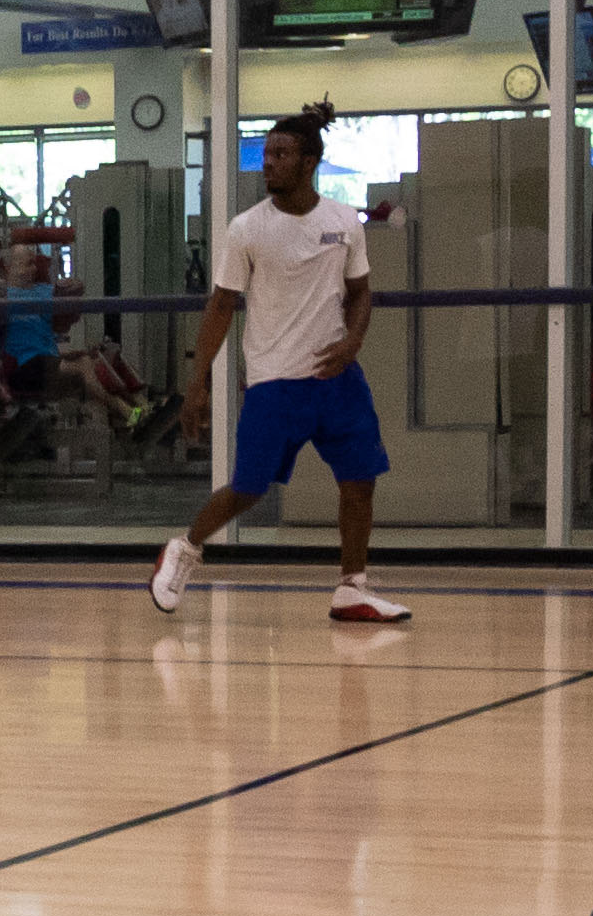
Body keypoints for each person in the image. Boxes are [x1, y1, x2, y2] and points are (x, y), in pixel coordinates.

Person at [147, 105, 412, 625]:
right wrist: (196, 384)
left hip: (338, 382)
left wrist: (352, 342)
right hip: (274, 385)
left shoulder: (343, 221)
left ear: (309, 162)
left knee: (360, 482)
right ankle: (185, 548)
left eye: (281, 154)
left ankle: (352, 587)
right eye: (267, 154)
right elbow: (220, 306)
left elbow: (361, 295)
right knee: (249, 487)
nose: (269, 163)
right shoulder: (247, 229)